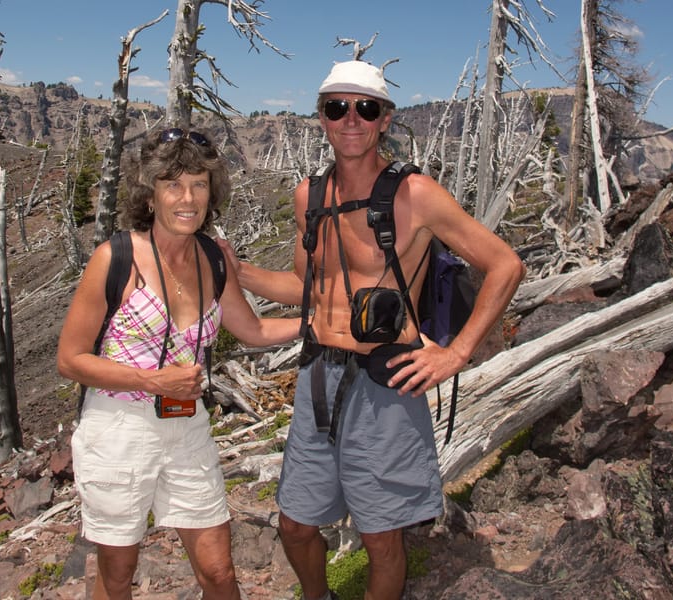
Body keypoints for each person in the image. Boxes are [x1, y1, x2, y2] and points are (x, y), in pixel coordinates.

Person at [222, 60, 526, 600]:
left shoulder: (418, 196)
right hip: (318, 377)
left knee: (382, 538)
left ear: (385, 119)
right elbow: (309, 289)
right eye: (337, 108)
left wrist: (456, 355)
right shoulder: (308, 198)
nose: (351, 120)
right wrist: (237, 270)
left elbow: (505, 265)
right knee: (295, 523)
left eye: (365, 108)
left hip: (385, 383)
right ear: (321, 118)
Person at [57, 127, 300, 600]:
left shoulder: (211, 256)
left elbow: (252, 331)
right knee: (117, 573)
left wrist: (318, 325)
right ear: (150, 195)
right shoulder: (116, 259)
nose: (188, 197)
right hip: (118, 428)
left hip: (187, 425)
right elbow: (70, 359)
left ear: (213, 192)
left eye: (200, 184)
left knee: (218, 572)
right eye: (173, 184)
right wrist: (153, 379)